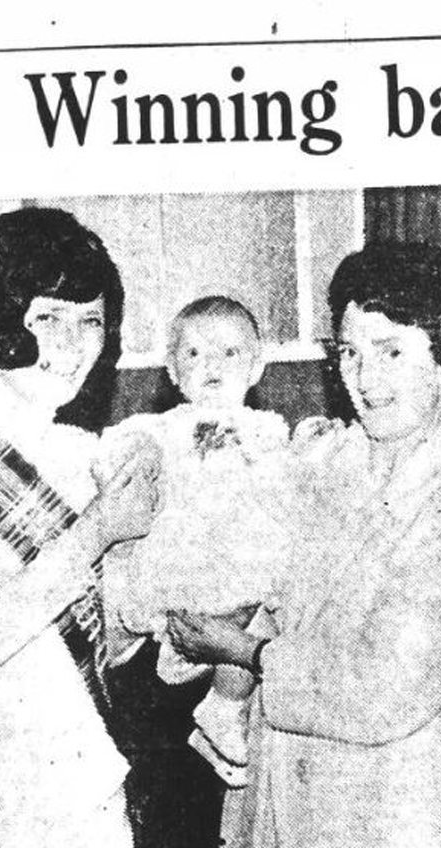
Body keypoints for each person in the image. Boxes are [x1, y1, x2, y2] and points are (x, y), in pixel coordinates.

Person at [177, 241, 441, 848]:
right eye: (350, 353)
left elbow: (383, 688)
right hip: (286, 808)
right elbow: (245, 571)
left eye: (392, 351)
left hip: (403, 833)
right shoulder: (322, 460)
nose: (364, 377)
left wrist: (243, 651)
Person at [0, 207, 162, 848]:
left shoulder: (90, 451)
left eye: (91, 322)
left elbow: (113, 645)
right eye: (48, 318)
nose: (72, 345)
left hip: (91, 788)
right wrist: (95, 532)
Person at [102, 295, 293, 787]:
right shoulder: (160, 429)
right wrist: (135, 453)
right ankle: (188, 679)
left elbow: (290, 481)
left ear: (256, 367)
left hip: (243, 555)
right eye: (194, 354)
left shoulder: (267, 429)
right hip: (186, 558)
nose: (211, 365)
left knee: (265, 615)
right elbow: (115, 459)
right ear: (172, 369)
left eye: (229, 354)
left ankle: (223, 707)